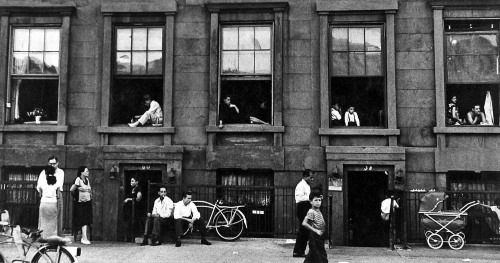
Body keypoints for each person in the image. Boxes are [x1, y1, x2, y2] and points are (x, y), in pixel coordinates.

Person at [36, 156, 64, 236]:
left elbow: (40, 188)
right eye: (50, 164)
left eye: (54, 164)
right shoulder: (43, 172)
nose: (52, 165)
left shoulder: (60, 172)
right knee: (51, 221)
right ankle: (51, 237)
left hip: (47, 199)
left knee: (53, 219)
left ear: (57, 163)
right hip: (52, 198)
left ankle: (47, 236)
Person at [293, 169, 314, 258]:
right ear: (305, 176)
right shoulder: (301, 185)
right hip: (302, 207)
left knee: (305, 230)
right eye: (310, 177)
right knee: (303, 230)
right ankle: (298, 251)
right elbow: (298, 198)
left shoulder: (306, 185)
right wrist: (310, 197)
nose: (311, 179)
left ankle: (300, 251)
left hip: (306, 207)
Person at [302, 192, 328, 263]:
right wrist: (315, 230)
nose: (318, 202)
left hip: (320, 237)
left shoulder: (318, 210)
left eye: (319, 200)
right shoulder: (311, 211)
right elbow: (304, 223)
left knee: (316, 256)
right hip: (314, 237)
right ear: (311, 202)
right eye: (316, 200)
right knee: (319, 258)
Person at [70, 166, 92, 245]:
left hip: (87, 201)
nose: (87, 172)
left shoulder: (87, 180)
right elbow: (72, 189)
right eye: (86, 171)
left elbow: (89, 189)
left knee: (86, 220)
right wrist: (78, 189)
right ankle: (84, 237)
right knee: (83, 220)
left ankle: (85, 237)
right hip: (80, 202)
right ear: (82, 172)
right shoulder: (78, 179)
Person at [36, 165, 59, 238]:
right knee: (53, 223)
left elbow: (40, 194)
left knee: (44, 222)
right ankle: (52, 239)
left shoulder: (42, 181)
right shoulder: (56, 181)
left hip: (44, 202)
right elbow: (58, 195)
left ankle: (44, 238)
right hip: (53, 203)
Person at [123, 176, 145, 242]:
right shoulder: (132, 189)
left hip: (136, 209)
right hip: (130, 209)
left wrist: (129, 199)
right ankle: (129, 238)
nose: (131, 182)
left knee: (136, 221)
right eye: (131, 181)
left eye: (132, 181)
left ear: (137, 182)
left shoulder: (138, 189)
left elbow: (138, 198)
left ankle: (136, 237)